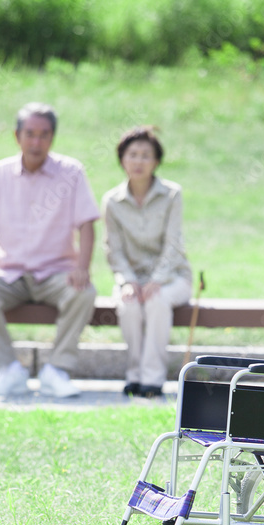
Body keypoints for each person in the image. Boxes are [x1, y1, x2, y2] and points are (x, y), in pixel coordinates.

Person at [0, 102, 99, 397]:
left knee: (84, 293)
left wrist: (82, 268)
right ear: (17, 136)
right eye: (30, 134)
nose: (36, 142)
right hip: (8, 272)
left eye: (44, 135)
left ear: (52, 137)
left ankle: (57, 370)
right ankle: (9, 370)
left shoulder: (71, 172)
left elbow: (87, 225)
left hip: (56, 272)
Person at [101, 126, 192, 398]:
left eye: (145, 155)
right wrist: (128, 281)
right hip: (133, 278)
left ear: (156, 161)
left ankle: (152, 379)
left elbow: (174, 244)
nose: (138, 161)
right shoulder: (112, 201)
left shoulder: (172, 194)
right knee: (128, 305)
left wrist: (157, 280)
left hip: (173, 278)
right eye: (132, 154)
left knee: (156, 301)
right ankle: (134, 375)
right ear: (122, 159)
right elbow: (113, 250)